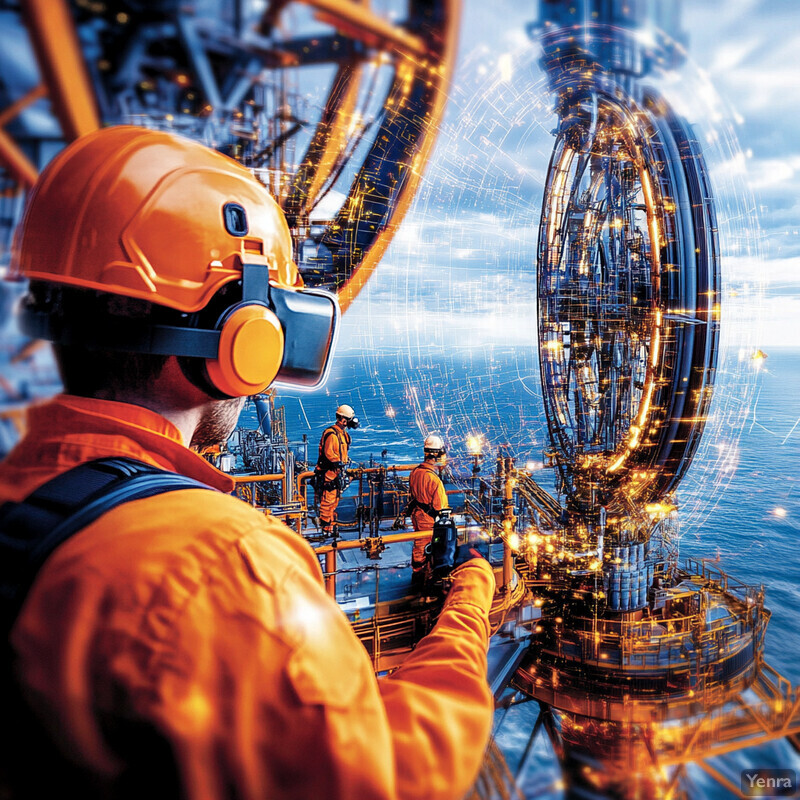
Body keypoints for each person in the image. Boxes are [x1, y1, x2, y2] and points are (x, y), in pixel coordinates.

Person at [0, 126, 496, 800]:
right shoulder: (224, 564)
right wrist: (471, 601)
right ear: (241, 340)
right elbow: (394, 777)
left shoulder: (24, 488)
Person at [409, 434, 449, 581]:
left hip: (417, 516)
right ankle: (422, 578)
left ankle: (417, 572)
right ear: (437, 454)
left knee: (418, 545)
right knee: (426, 548)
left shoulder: (415, 472)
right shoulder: (434, 479)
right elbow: (440, 507)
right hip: (429, 521)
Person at [314, 404, 358, 535]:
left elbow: (343, 454)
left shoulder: (344, 435)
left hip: (337, 473)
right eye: (350, 419)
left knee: (334, 500)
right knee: (328, 500)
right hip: (329, 474)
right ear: (343, 420)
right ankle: (325, 528)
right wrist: (339, 464)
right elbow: (329, 454)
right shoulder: (332, 434)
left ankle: (330, 526)